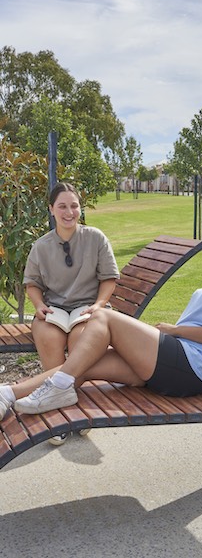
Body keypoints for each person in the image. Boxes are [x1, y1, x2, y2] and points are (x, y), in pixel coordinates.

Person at [0, 210, 202, 422]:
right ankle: (9, 394)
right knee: (84, 364)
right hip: (177, 360)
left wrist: (174, 331)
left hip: (193, 368)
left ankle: (58, 387)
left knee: (105, 318)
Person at [22, 182, 120, 445]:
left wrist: (99, 305)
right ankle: (57, 412)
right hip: (54, 309)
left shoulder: (95, 238)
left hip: (88, 307)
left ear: (80, 208)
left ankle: (73, 411)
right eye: (62, 206)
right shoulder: (41, 246)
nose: (69, 211)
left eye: (74, 205)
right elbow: (32, 284)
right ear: (51, 209)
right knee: (51, 339)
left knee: (80, 341)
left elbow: (109, 279)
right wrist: (38, 305)